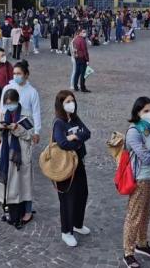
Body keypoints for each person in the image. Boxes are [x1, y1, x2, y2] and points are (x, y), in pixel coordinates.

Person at [121, 97, 150, 268]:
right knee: (134, 215)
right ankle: (128, 252)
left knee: (146, 212)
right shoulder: (133, 131)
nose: (149, 113)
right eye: (146, 111)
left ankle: (142, 243)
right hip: (139, 178)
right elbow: (145, 157)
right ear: (137, 112)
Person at [0, 60, 41, 220]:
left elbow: (36, 112)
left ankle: (28, 209)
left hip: (25, 134)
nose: (16, 76)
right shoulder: (7, 89)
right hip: (9, 138)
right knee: (11, 175)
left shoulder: (32, 92)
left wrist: (37, 131)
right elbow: (3, 110)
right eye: (14, 73)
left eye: (19, 73)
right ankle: (10, 205)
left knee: (25, 175)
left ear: (26, 75)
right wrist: (1, 129)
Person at [52, 90, 91, 247]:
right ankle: (66, 231)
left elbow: (87, 133)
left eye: (72, 100)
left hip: (78, 162)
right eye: (68, 101)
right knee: (68, 198)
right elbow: (62, 143)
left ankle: (77, 224)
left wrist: (76, 137)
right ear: (61, 104)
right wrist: (77, 142)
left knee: (82, 193)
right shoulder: (58, 122)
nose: (71, 104)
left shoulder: (75, 118)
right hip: (64, 165)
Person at [0, 88, 34, 229]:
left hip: (20, 153)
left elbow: (30, 135)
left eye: (11, 102)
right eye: (7, 103)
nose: (9, 105)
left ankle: (27, 211)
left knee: (24, 184)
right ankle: (9, 211)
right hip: (6, 152)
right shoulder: (4, 112)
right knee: (9, 184)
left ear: (17, 102)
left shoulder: (25, 113)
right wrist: (0, 127)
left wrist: (17, 128)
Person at [72, 28, 90, 93]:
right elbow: (84, 50)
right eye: (83, 32)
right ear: (80, 33)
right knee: (83, 74)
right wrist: (87, 59)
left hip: (77, 57)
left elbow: (74, 49)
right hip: (82, 58)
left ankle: (75, 86)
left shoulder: (75, 39)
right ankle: (83, 87)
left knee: (77, 72)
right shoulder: (82, 40)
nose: (84, 33)